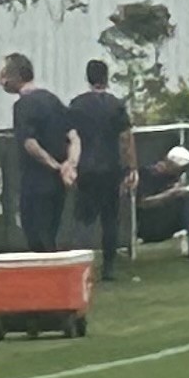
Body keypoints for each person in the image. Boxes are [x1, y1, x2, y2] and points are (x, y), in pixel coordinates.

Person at [0, 52, 77, 254]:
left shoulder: (23, 106)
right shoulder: (53, 100)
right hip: (58, 183)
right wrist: (70, 164)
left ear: (16, 76)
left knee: (36, 235)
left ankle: (47, 279)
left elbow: (30, 143)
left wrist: (55, 165)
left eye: (4, 75)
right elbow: (74, 137)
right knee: (50, 231)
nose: (1, 82)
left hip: (36, 181)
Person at [67, 58, 136, 275]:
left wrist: (70, 165)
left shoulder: (77, 105)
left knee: (83, 218)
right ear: (106, 78)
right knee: (109, 218)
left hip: (86, 167)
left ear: (88, 78)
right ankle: (109, 266)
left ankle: (80, 265)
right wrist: (131, 167)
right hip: (110, 167)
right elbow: (126, 139)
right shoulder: (116, 105)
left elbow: (70, 136)